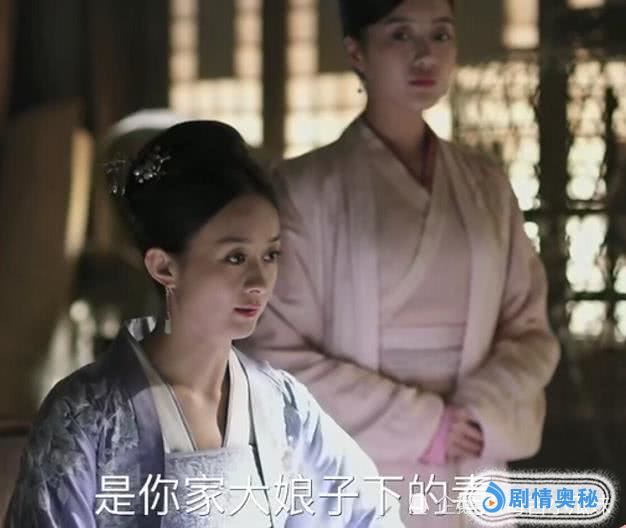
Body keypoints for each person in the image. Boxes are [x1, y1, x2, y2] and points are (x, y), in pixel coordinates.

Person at [238, 1, 561, 526]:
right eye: (400, 35)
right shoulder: (305, 188)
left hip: (470, 453)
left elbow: (528, 327)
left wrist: (481, 412)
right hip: (356, 465)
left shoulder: (485, 185)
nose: (425, 55)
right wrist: (424, 426)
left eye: (441, 35)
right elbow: (273, 351)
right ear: (356, 52)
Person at [5, 121, 405, 528]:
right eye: (235, 257)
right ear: (164, 267)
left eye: (270, 255)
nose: (259, 281)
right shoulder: (84, 416)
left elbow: (370, 514)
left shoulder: (284, 405)